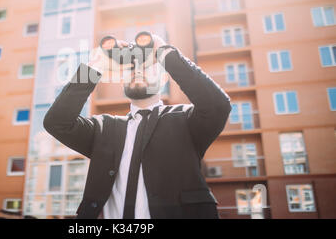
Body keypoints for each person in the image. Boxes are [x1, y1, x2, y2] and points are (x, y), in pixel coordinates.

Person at [43, 33, 232, 219]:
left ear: (164, 78)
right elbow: (57, 122)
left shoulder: (185, 121)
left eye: (147, 66)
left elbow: (218, 105)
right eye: (131, 67)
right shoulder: (104, 129)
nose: (138, 70)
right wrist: (96, 66)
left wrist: (165, 53)